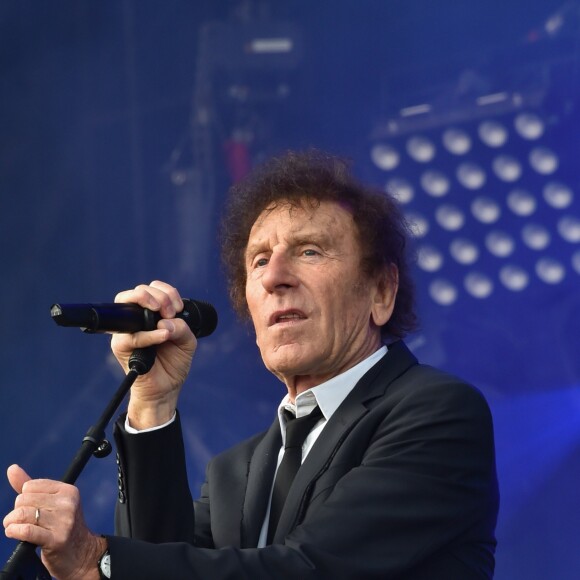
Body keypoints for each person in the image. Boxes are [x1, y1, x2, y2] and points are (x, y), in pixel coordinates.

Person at [4, 150, 499, 579]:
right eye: (258, 260)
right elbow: (160, 566)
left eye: (309, 251)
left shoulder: (437, 414)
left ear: (381, 291)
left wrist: (98, 559)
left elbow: (311, 570)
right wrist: (152, 401)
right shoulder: (232, 474)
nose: (274, 277)